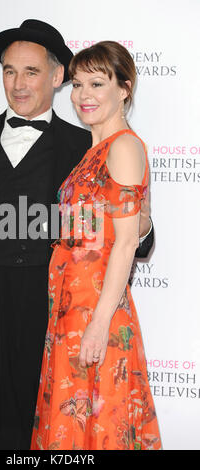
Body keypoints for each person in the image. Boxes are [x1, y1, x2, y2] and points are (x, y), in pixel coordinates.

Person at [0, 21, 153, 450]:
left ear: (57, 76)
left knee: (20, 440)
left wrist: (145, 220)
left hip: (35, 313)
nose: (18, 83)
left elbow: (132, 239)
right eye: (9, 71)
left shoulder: (88, 145)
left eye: (30, 72)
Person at [31, 41, 161, 450]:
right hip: (70, 311)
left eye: (97, 83)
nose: (83, 95)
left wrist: (100, 325)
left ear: (124, 88)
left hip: (95, 313)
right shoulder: (92, 152)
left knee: (101, 427)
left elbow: (124, 247)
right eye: (77, 83)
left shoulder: (122, 146)